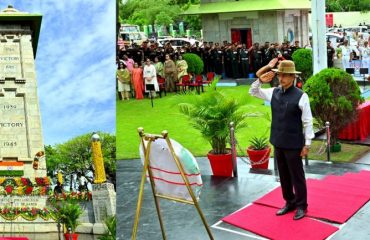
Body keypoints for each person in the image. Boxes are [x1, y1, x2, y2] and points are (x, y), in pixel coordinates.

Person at [249, 59, 314, 220]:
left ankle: (301, 205)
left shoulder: (301, 96)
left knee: (297, 176)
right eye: (279, 75)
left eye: (285, 75)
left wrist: (307, 144)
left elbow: (307, 121)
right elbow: (253, 92)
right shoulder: (274, 92)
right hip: (278, 141)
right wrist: (259, 80)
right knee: (284, 175)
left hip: (294, 143)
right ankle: (289, 202)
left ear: (293, 77)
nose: (281, 78)